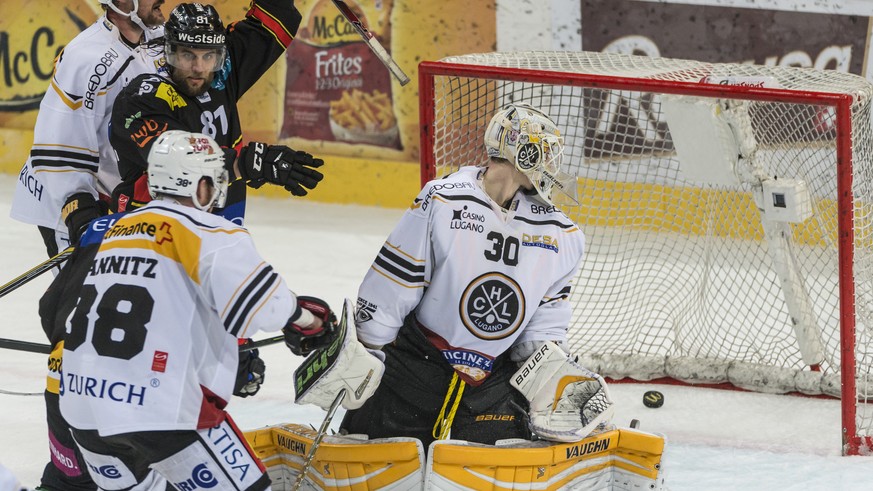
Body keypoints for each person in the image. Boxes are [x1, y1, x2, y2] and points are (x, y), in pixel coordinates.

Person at [43, 130, 337, 490]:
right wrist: (308, 319)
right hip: (162, 409)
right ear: (200, 186)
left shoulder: (113, 231)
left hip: (82, 408)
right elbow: (269, 308)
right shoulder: (210, 233)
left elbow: (56, 308)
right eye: (213, 180)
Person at [341, 104, 614, 450]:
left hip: (493, 382)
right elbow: (395, 283)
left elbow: (544, 321)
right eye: (545, 154)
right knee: (381, 458)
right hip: (415, 365)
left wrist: (553, 379)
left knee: (497, 468)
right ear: (526, 153)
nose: (551, 167)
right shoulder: (444, 200)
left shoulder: (562, 233)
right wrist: (366, 348)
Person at [8, 3, 167, 490]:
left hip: (115, 202)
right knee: (78, 323)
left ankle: (111, 440)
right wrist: (80, 212)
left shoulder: (155, 41)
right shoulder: (88, 56)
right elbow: (55, 145)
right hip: (70, 200)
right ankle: (69, 469)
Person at [110, 1, 324, 226]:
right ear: (169, 51)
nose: (199, 68)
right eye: (187, 55)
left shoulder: (223, 71)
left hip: (221, 221)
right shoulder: (142, 97)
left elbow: (278, 14)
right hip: (148, 230)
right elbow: (178, 161)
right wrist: (249, 162)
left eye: (208, 56)